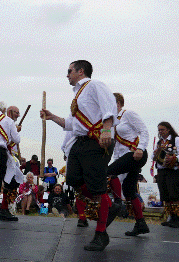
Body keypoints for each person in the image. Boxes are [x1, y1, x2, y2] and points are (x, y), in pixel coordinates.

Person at [40, 60, 119, 251]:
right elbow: (72, 124)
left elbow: (109, 108)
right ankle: (110, 205)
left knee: (97, 187)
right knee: (73, 179)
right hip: (79, 142)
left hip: (96, 141)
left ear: (81, 71)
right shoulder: (77, 96)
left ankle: (101, 233)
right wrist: (52, 117)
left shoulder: (94, 85)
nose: (67, 75)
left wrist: (106, 131)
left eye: (69, 71)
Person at [106, 93, 150, 235]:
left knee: (108, 173)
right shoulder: (111, 122)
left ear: (118, 103)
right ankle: (141, 224)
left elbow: (144, 131)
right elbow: (117, 147)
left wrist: (140, 148)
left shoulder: (128, 114)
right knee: (129, 190)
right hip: (124, 158)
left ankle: (116, 205)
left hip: (135, 155)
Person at [152, 121, 179, 228]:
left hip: (174, 170)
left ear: (168, 129)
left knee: (175, 194)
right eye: (159, 130)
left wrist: (175, 158)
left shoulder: (176, 139)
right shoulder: (159, 142)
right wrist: (155, 154)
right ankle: (172, 218)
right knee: (166, 195)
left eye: (162, 129)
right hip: (162, 171)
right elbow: (153, 157)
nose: (160, 132)